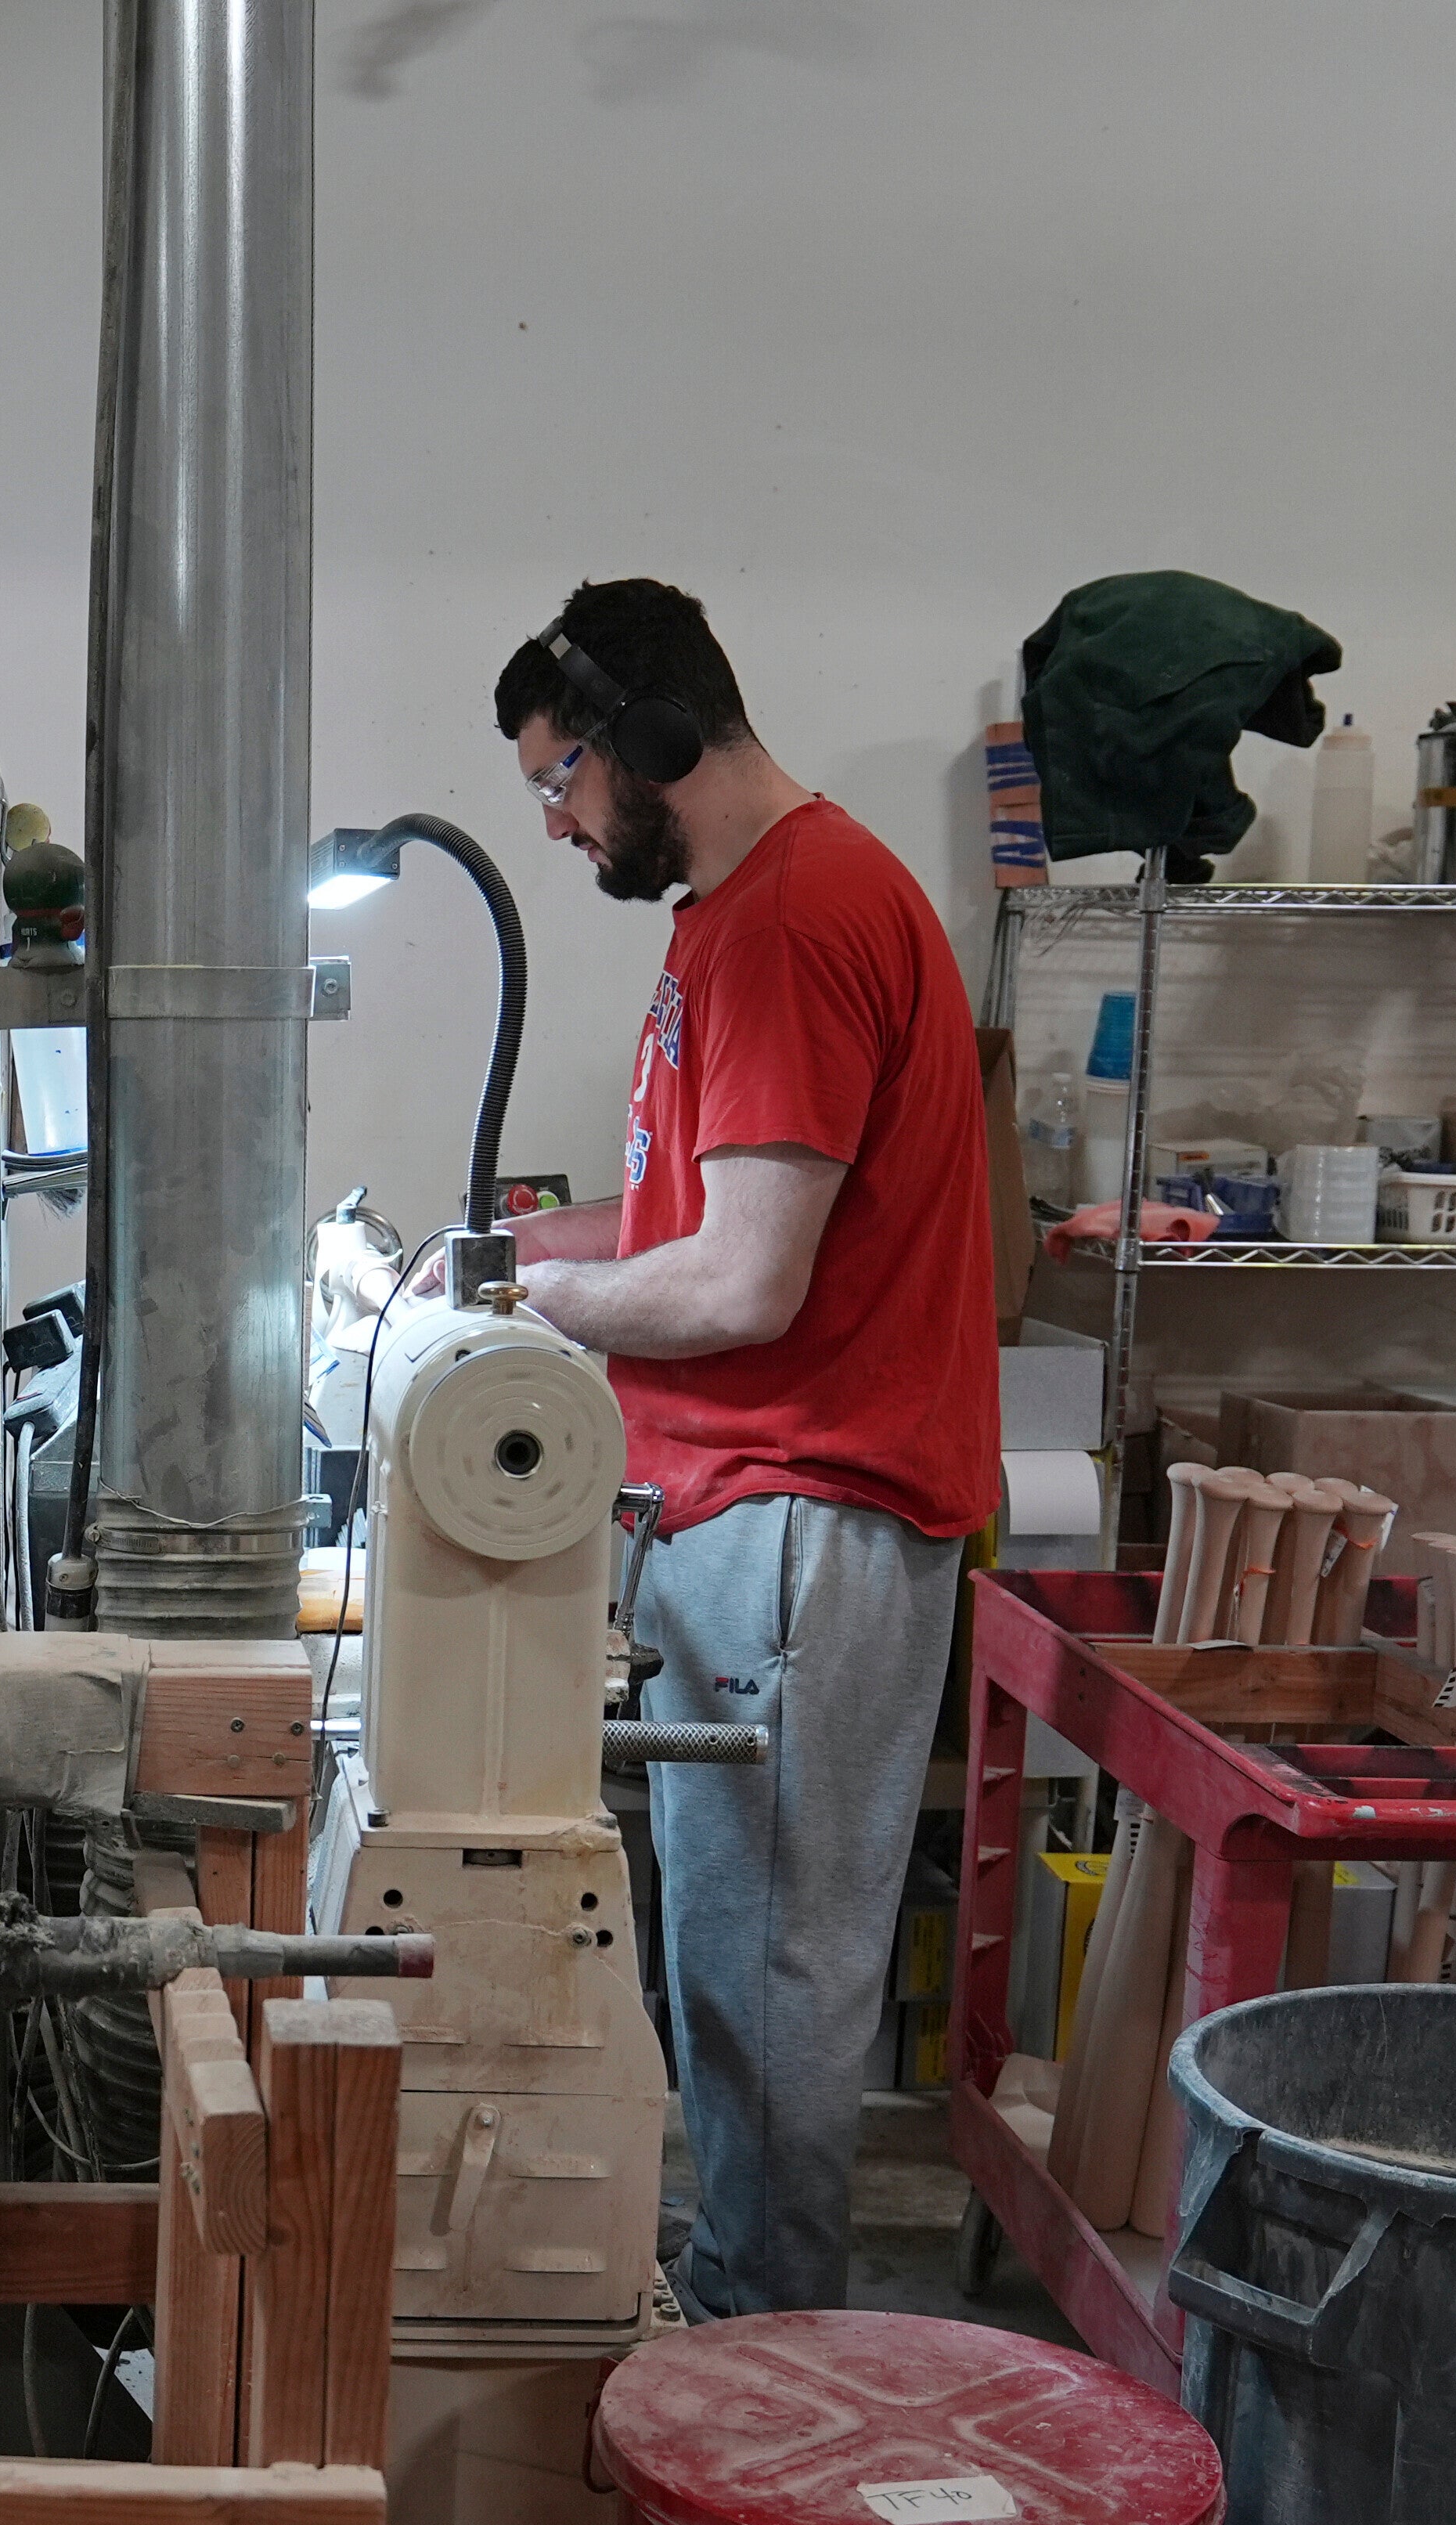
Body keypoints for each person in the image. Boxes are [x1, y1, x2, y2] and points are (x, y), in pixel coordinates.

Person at [474, 581, 1000, 2319]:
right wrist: (510, 1253)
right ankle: (739, 2327)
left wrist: (536, 1322)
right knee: (727, 1978)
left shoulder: (795, 919)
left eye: (566, 784)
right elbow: (693, 1214)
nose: (556, 827)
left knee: (770, 1991)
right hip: (751, 1511)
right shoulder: (732, 917)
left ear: (657, 745)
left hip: (805, 1517)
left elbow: (743, 1279)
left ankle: (766, 2395)